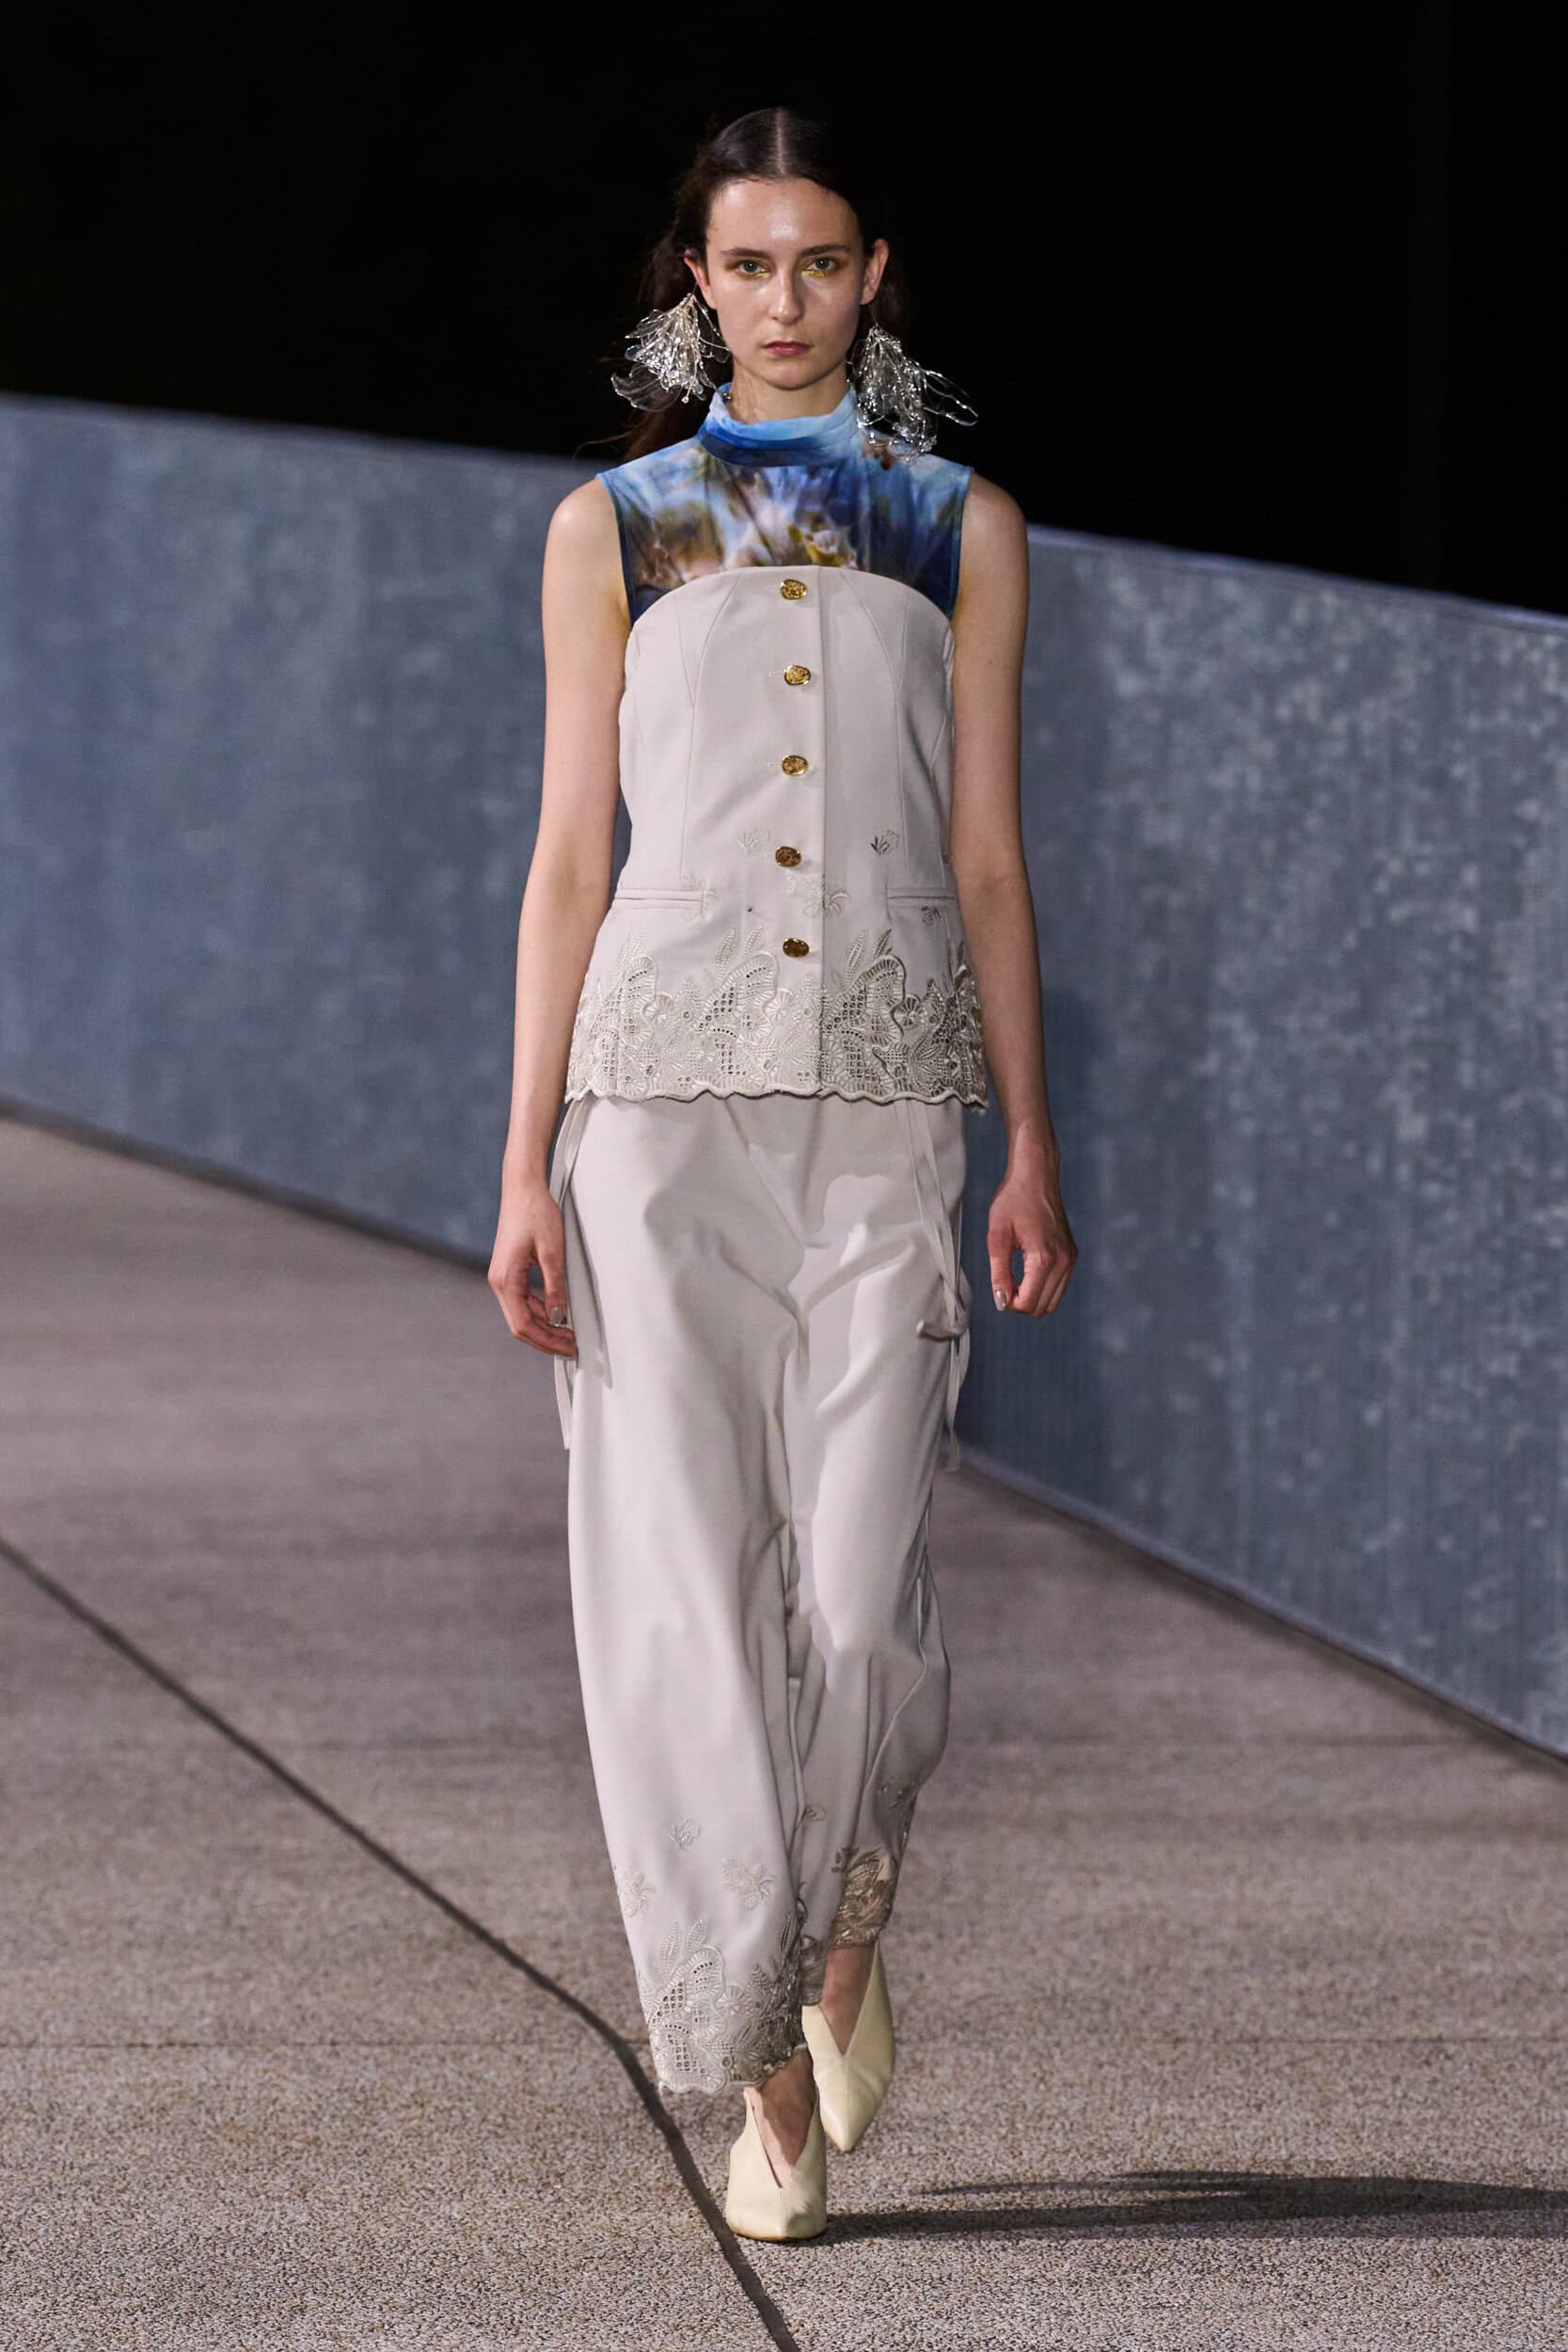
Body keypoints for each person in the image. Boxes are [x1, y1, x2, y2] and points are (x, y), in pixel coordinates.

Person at [488, 105, 1076, 2242]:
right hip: (654, 1120)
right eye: (750, 264)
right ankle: (757, 2064)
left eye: (822, 261)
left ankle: (845, 1921)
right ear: (699, 280)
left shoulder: (959, 525)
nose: (787, 299)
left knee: (855, 1588)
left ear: (873, 272)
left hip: (891, 1115)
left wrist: (1031, 1140)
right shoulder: (617, 526)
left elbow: (990, 854)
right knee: (679, 1587)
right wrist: (521, 1167)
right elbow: (572, 857)